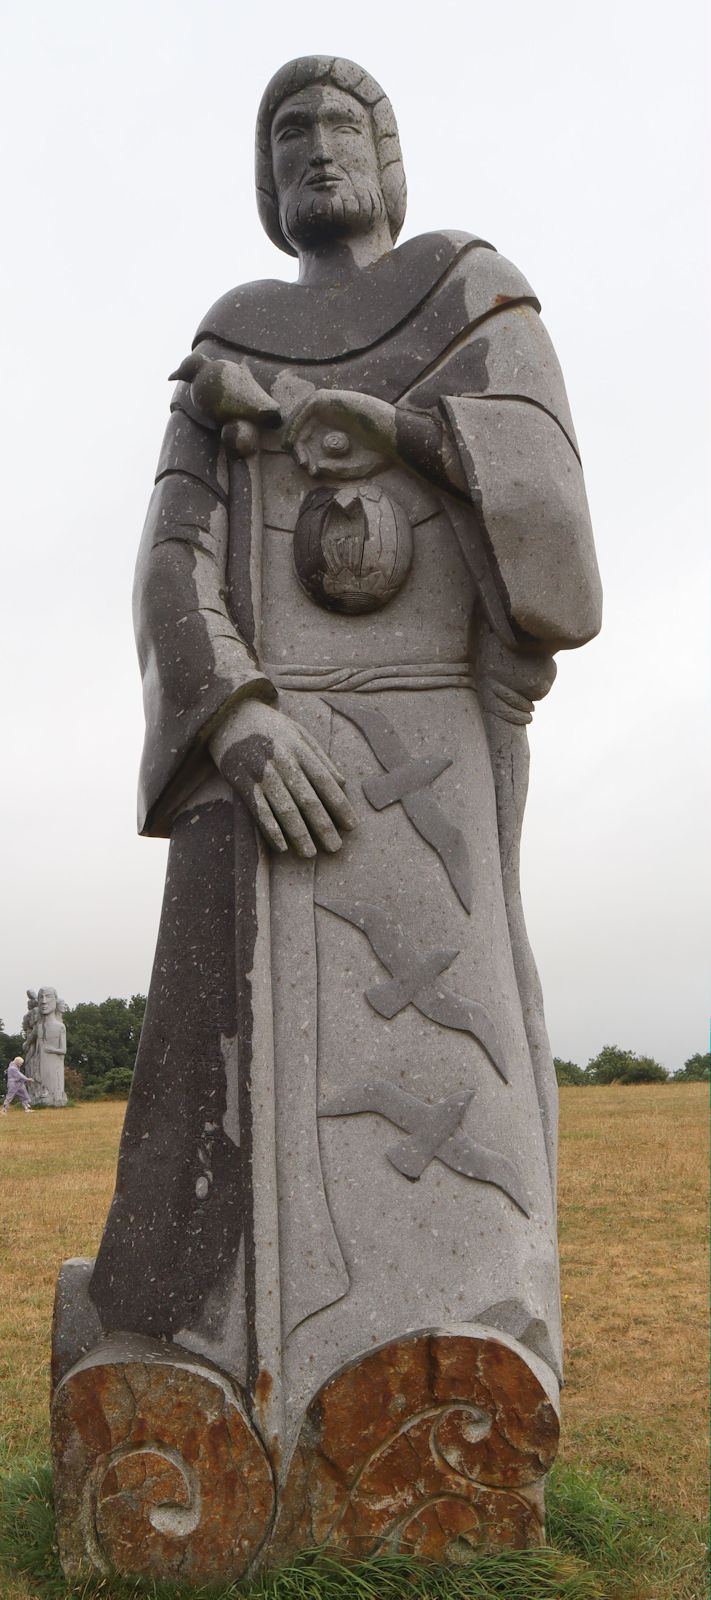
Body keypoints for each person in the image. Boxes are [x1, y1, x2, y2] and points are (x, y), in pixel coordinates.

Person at [90, 54, 601, 1478]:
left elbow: (553, 528)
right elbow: (173, 563)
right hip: (261, 780)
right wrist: (236, 716)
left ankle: (458, 1359)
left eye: (338, 122)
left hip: (432, 749)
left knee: (460, 1048)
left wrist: (407, 432)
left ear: (387, 153)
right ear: (266, 183)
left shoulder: (471, 295)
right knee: (214, 1057)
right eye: (286, 132)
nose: (315, 148)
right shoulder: (227, 339)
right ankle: (184, 1353)